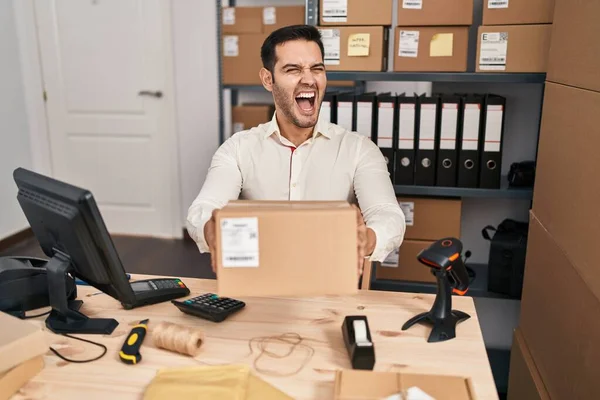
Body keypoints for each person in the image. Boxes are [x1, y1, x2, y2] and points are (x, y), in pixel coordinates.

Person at [187, 25, 405, 277]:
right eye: (293, 70)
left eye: (317, 69)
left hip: (328, 293)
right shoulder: (238, 149)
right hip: (258, 289)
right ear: (268, 79)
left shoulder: (359, 149)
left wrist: (365, 238)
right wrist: (211, 229)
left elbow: (388, 214)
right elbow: (203, 208)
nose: (309, 79)